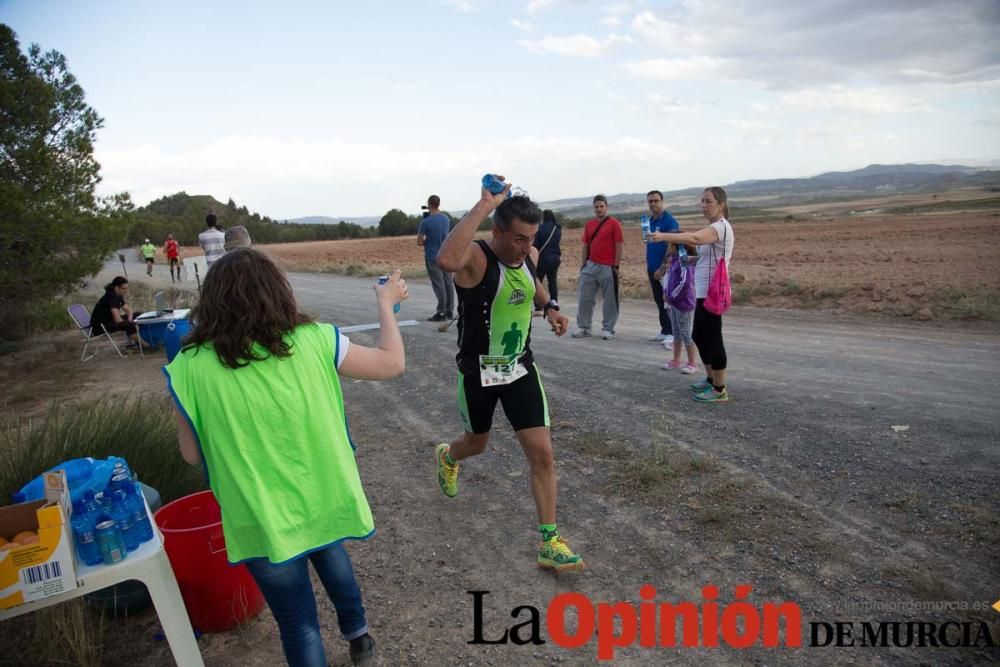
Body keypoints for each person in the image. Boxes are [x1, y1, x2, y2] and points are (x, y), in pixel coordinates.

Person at [164, 249, 409, 666]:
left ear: (212, 302)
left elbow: (189, 456)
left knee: (298, 625)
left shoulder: (187, 367)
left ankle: (356, 636)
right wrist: (385, 306)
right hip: (322, 495)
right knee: (332, 556)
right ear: (278, 291)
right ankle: (360, 637)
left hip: (259, 517)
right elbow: (392, 363)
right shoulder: (317, 339)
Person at [434, 178, 583, 572]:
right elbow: (445, 261)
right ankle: (449, 456)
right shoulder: (476, 259)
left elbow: (531, 281)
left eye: (530, 238)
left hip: (519, 369)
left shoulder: (527, 253)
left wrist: (550, 307)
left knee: (543, 455)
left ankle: (549, 542)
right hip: (478, 374)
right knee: (476, 444)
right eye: (517, 238)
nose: (525, 246)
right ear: (497, 231)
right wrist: (484, 205)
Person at [650, 187, 735, 402]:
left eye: (708, 201)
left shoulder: (721, 227)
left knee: (714, 338)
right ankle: (710, 379)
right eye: (702, 201)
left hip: (711, 294)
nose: (703, 205)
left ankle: (719, 389)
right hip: (701, 292)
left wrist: (664, 236)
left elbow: (695, 239)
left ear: (721, 204)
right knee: (698, 335)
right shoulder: (713, 227)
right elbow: (701, 254)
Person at [572, 194, 624, 340]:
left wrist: (616, 265)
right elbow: (585, 245)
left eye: (602, 206)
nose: (599, 209)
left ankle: (608, 329)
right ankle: (584, 327)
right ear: (593, 208)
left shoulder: (614, 224)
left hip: (608, 266)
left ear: (606, 207)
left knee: (610, 299)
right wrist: (583, 265)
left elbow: (619, 245)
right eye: (596, 207)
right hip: (590, 266)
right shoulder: (589, 225)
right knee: (585, 298)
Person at [644, 190, 680, 343]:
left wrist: (663, 267)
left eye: (656, 201)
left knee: (669, 301)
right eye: (650, 201)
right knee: (659, 300)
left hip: (665, 269)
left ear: (662, 201)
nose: (653, 204)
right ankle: (665, 330)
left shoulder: (669, 221)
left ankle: (673, 333)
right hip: (652, 267)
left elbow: (672, 246)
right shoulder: (650, 221)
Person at [661, 241, 699, 374]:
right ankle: (676, 360)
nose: (668, 247)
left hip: (684, 303)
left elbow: (685, 282)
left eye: (670, 244)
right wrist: (666, 292)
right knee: (676, 332)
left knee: (686, 333)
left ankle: (692, 363)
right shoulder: (675, 259)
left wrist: (671, 296)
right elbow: (670, 279)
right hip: (674, 302)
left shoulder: (684, 261)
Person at [417, 195, 455, 322]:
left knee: (439, 285)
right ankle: (449, 311)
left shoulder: (425, 222)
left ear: (429, 204)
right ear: (438, 204)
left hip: (432, 256)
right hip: (446, 255)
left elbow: (419, 242)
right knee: (448, 283)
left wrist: (427, 239)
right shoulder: (446, 219)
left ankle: (441, 312)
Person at [89, 276, 147, 349]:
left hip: (109, 321)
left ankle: (136, 342)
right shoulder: (112, 297)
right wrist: (129, 323)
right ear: (116, 287)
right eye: (124, 289)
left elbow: (128, 309)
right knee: (128, 325)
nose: (126, 291)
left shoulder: (118, 295)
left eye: (127, 288)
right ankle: (145, 346)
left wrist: (130, 318)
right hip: (99, 328)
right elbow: (117, 319)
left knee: (138, 315)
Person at [533, 209, 562, 313]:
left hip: (542, 259)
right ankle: (554, 302)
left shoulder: (540, 228)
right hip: (555, 258)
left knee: (537, 281)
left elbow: (536, 245)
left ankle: (538, 306)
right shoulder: (557, 228)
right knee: (552, 281)